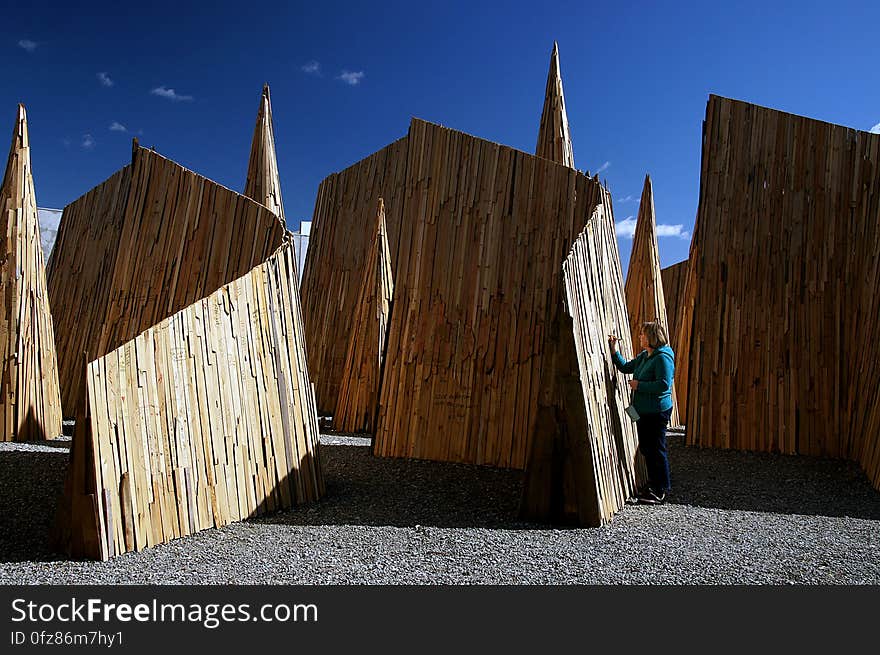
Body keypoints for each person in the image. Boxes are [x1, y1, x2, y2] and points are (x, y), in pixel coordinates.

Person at [608, 321, 675, 505]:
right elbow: (626, 367)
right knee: (647, 447)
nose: (640, 337)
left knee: (656, 449)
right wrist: (614, 351)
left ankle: (660, 490)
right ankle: (653, 485)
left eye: (643, 334)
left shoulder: (662, 358)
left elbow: (664, 384)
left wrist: (640, 386)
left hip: (656, 411)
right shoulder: (646, 355)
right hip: (643, 410)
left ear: (651, 337)